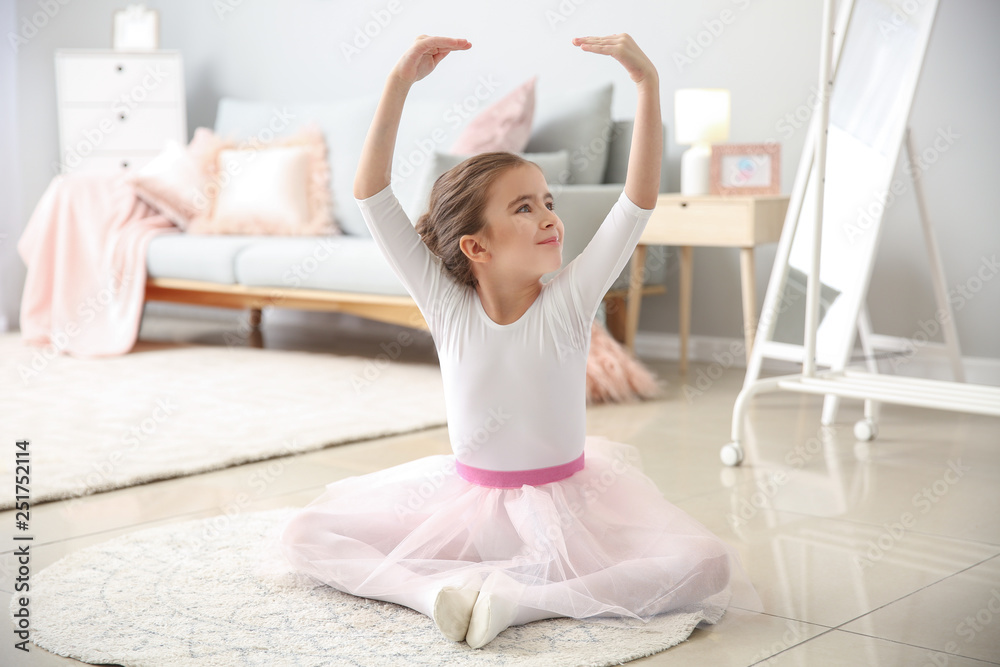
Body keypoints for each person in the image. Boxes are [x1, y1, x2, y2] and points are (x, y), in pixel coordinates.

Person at [280, 33, 758, 649]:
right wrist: (399, 82)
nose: (551, 218)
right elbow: (372, 196)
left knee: (706, 565)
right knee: (305, 535)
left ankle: (522, 602)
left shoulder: (567, 302)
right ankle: (434, 597)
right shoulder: (446, 305)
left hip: (567, 512)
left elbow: (635, 206)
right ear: (476, 247)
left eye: (549, 202)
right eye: (525, 208)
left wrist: (647, 85)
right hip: (468, 507)